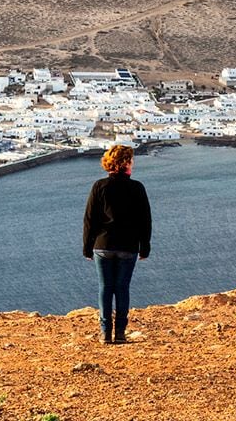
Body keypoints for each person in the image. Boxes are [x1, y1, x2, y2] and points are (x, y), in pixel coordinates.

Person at [83, 144, 152, 344]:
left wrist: (87, 246)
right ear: (125, 163)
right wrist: (145, 246)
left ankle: (105, 332)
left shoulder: (99, 186)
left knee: (105, 287)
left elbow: (89, 219)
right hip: (128, 247)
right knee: (122, 288)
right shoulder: (137, 187)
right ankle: (120, 333)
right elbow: (145, 220)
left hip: (102, 245)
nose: (133, 163)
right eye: (131, 160)